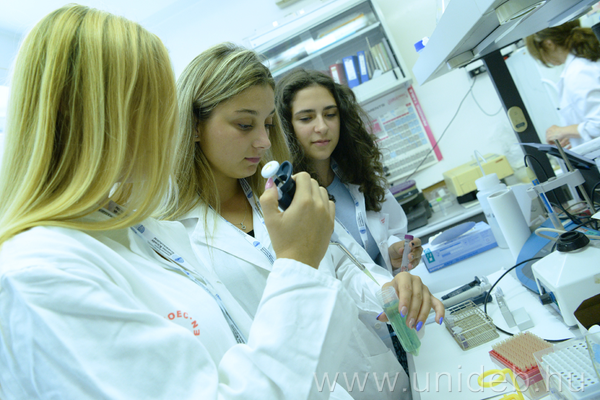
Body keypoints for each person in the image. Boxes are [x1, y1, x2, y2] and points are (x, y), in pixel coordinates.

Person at [0, 6, 360, 399]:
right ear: (85, 113)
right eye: (153, 104)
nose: (171, 124)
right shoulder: (40, 275)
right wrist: (298, 262)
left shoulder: (137, 231)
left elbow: (237, 354)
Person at [166, 42, 444, 400]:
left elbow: (344, 265)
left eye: (268, 124)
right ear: (194, 125)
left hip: (373, 379)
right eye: (245, 124)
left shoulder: (288, 193)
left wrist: (389, 292)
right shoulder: (173, 234)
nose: (263, 141)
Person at [275, 69, 423, 275]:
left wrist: (393, 252)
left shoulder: (358, 173)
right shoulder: (284, 199)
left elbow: (392, 233)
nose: (322, 127)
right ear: (285, 127)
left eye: (330, 115)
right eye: (306, 118)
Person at [526, 20, 600, 149]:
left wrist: (562, 131)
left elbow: (598, 124)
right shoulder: (581, 65)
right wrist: (573, 134)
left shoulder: (578, 72)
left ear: (549, 44)